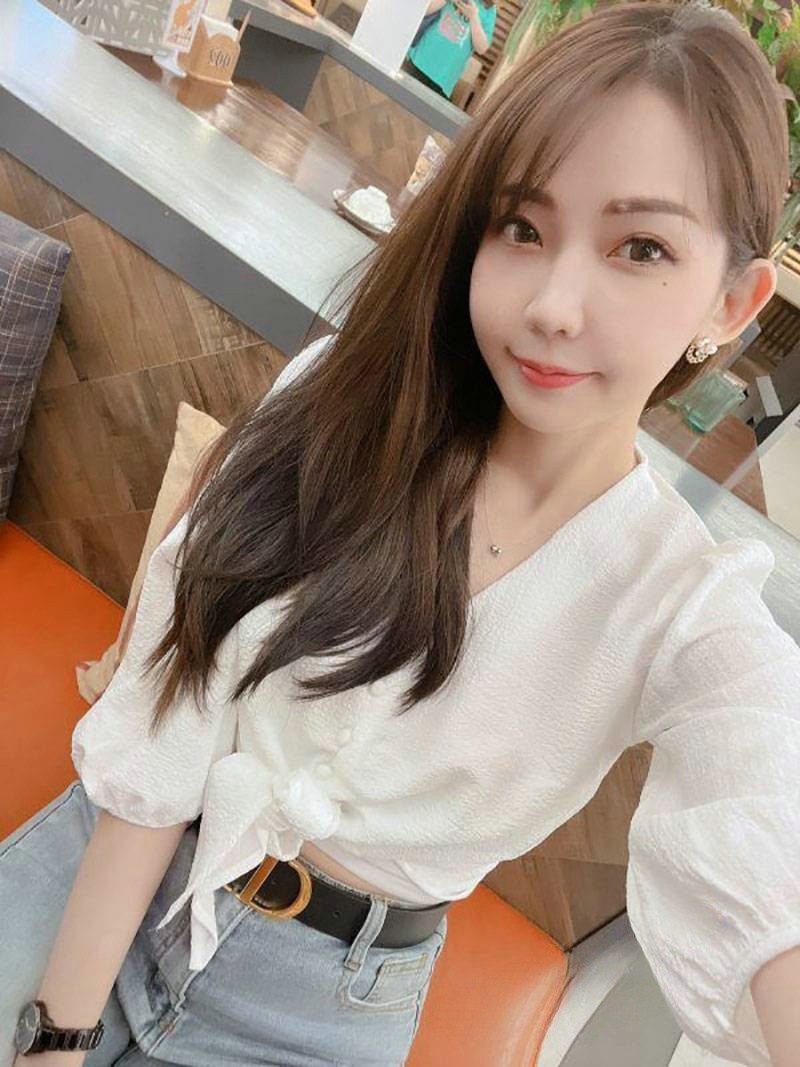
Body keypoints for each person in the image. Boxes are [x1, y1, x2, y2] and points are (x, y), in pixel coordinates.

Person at [2, 2, 799, 1064]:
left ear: (732, 303)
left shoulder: (683, 607)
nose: (553, 304)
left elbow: (765, 817)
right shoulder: (349, 395)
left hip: (320, 1014)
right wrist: (57, 1033)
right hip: (112, 869)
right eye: (521, 227)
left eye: (640, 247)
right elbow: (176, 697)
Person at [403, 0, 497, 100]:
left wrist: (474, 17)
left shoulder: (490, 10)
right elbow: (425, 10)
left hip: (443, 78)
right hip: (419, 60)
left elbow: (481, 48)